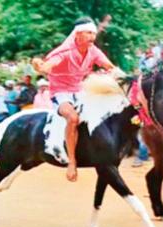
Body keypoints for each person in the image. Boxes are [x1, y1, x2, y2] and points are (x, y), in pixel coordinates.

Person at [32, 17, 115, 182]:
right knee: (72, 118)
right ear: (77, 34)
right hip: (61, 93)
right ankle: (71, 161)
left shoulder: (93, 51)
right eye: (88, 33)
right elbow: (46, 67)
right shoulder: (64, 52)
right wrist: (39, 66)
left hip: (81, 90)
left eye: (93, 33)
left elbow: (110, 67)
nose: (92, 36)